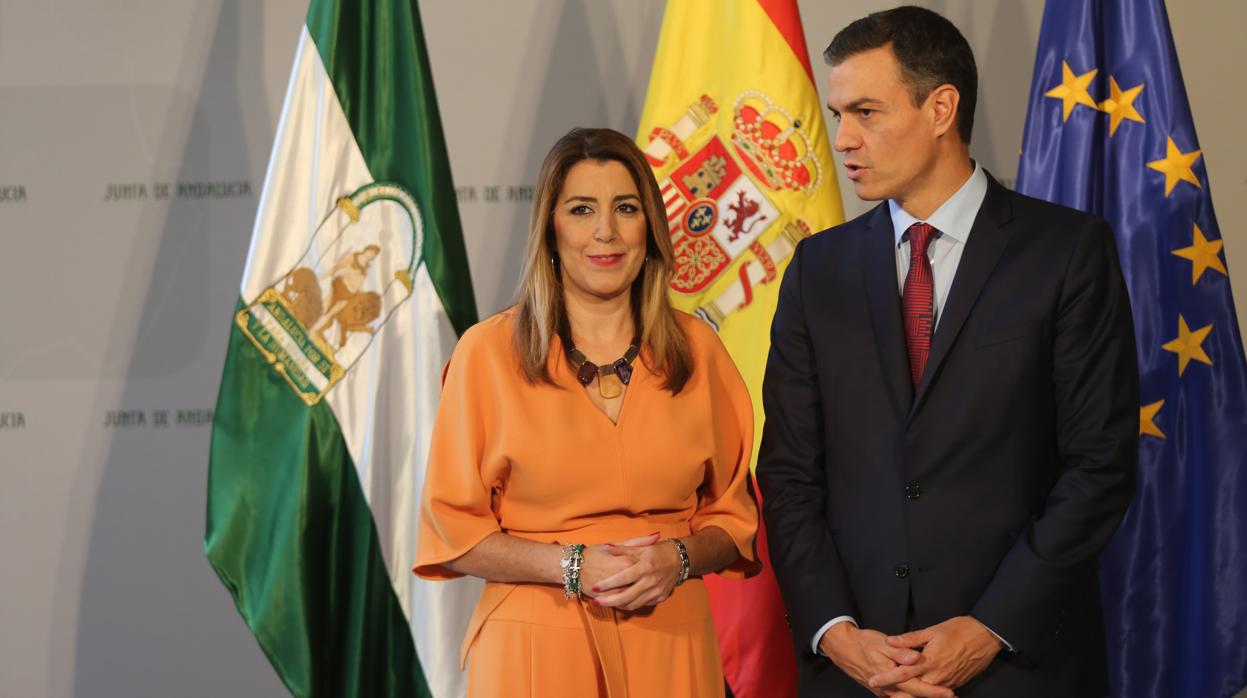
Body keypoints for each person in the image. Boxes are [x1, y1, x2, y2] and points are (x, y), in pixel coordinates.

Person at [757, 7, 1138, 697]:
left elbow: (1099, 466)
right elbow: (787, 475)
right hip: (854, 669)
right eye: (836, 113)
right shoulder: (818, 269)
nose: (841, 140)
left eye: (865, 112)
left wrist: (987, 627)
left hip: (1017, 665)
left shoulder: (1064, 253)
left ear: (940, 108)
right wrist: (836, 632)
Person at [414, 127, 760, 697]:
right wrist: (572, 566)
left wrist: (676, 558)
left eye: (626, 208)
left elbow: (735, 521)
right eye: (581, 209)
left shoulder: (700, 352)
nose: (606, 231)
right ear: (551, 228)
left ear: (649, 228)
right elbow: (455, 532)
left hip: (672, 645)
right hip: (533, 647)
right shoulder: (487, 353)